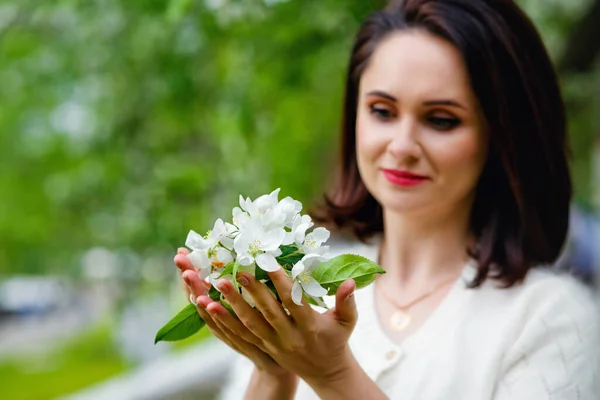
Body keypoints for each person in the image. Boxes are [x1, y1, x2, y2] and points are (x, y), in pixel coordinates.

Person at [174, 0, 600, 399]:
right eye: (382, 111)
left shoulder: (550, 321)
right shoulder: (297, 291)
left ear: (502, 134)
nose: (402, 145)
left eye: (441, 119)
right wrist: (272, 369)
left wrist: (334, 376)